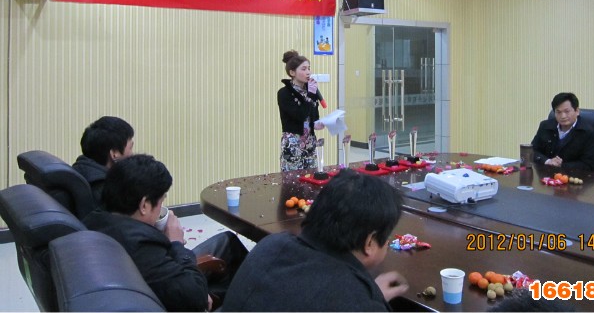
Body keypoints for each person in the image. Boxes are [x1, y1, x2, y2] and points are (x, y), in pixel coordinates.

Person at [222, 169, 409, 312]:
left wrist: (367, 293)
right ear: (370, 243)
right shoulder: (356, 303)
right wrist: (369, 300)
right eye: (387, 237)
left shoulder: (270, 245)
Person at [83, 154, 248, 312]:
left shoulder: (94, 219)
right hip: (177, 291)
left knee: (227, 242)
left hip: (163, 281)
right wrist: (176, 243)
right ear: (144, 205)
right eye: (161, 201)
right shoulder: (142, 246)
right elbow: (195, 297)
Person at [277, 49, 325, 171]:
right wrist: (310, 95)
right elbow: (300, 115)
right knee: (292, 179)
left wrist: (316, 123)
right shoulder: (284, 93)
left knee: (312, 177)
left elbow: (313, 115)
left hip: (310, 143)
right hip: (293, 144)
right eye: (303, 69)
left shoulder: (310, 91)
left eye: (309, 68)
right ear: (292, 72)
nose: (308, 72)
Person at [72, 116, 135, 207]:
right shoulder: (107, 193)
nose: (132, 154)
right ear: (114, 153)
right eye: (130, 148)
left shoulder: (79, 173)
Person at [531, 92, 594, 170]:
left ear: (577, 111)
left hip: (574, 175)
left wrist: (561, 165)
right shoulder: (545, 126)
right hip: (546, 174)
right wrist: (548, 161)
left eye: (567, 111)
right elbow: (532, 151)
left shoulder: (588, 132)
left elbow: (589, 164)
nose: (563, 116)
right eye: (558, 112)